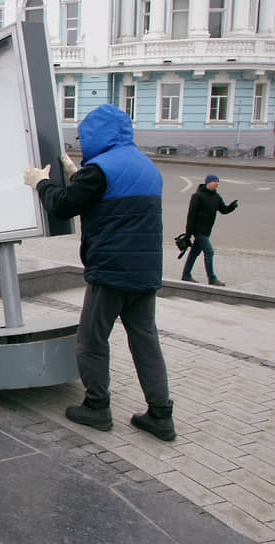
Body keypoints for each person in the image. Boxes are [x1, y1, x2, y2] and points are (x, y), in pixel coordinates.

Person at [23, 104, 176, 441]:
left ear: (96, 135)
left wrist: (41, 182)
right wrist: (77, 174)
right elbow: (109, 199)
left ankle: (97, 407)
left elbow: (64, 203)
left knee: (91, 340)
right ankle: (161, 415)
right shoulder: (147, 167)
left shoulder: (100, 170)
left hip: (111, 272)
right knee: (145, 340)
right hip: (145, 272)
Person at [181, 174, 238, 286]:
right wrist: (188, 233)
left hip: (207, 231)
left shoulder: (216, 197)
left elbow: (223, 210)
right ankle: (212, 278)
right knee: (209, 251)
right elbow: (191, 215)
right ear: (208, 182)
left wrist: (232, 206)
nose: (216, 183)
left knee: (194, 253)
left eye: (217, 182)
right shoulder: (198, 196)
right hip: (198, 231)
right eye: (214, 181)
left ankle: (186, 275)